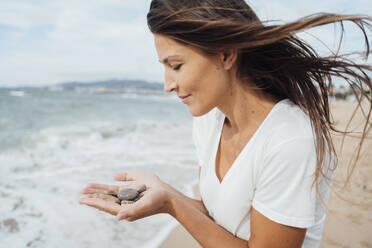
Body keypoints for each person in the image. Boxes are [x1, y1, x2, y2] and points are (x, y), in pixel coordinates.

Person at [79, 1, 372, 247]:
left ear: (227, 54)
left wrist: (171, 204)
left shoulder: (290, 140)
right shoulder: (209, 121)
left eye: (176, 65)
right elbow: (217, 213)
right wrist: (163, 192)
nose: (167, 85)